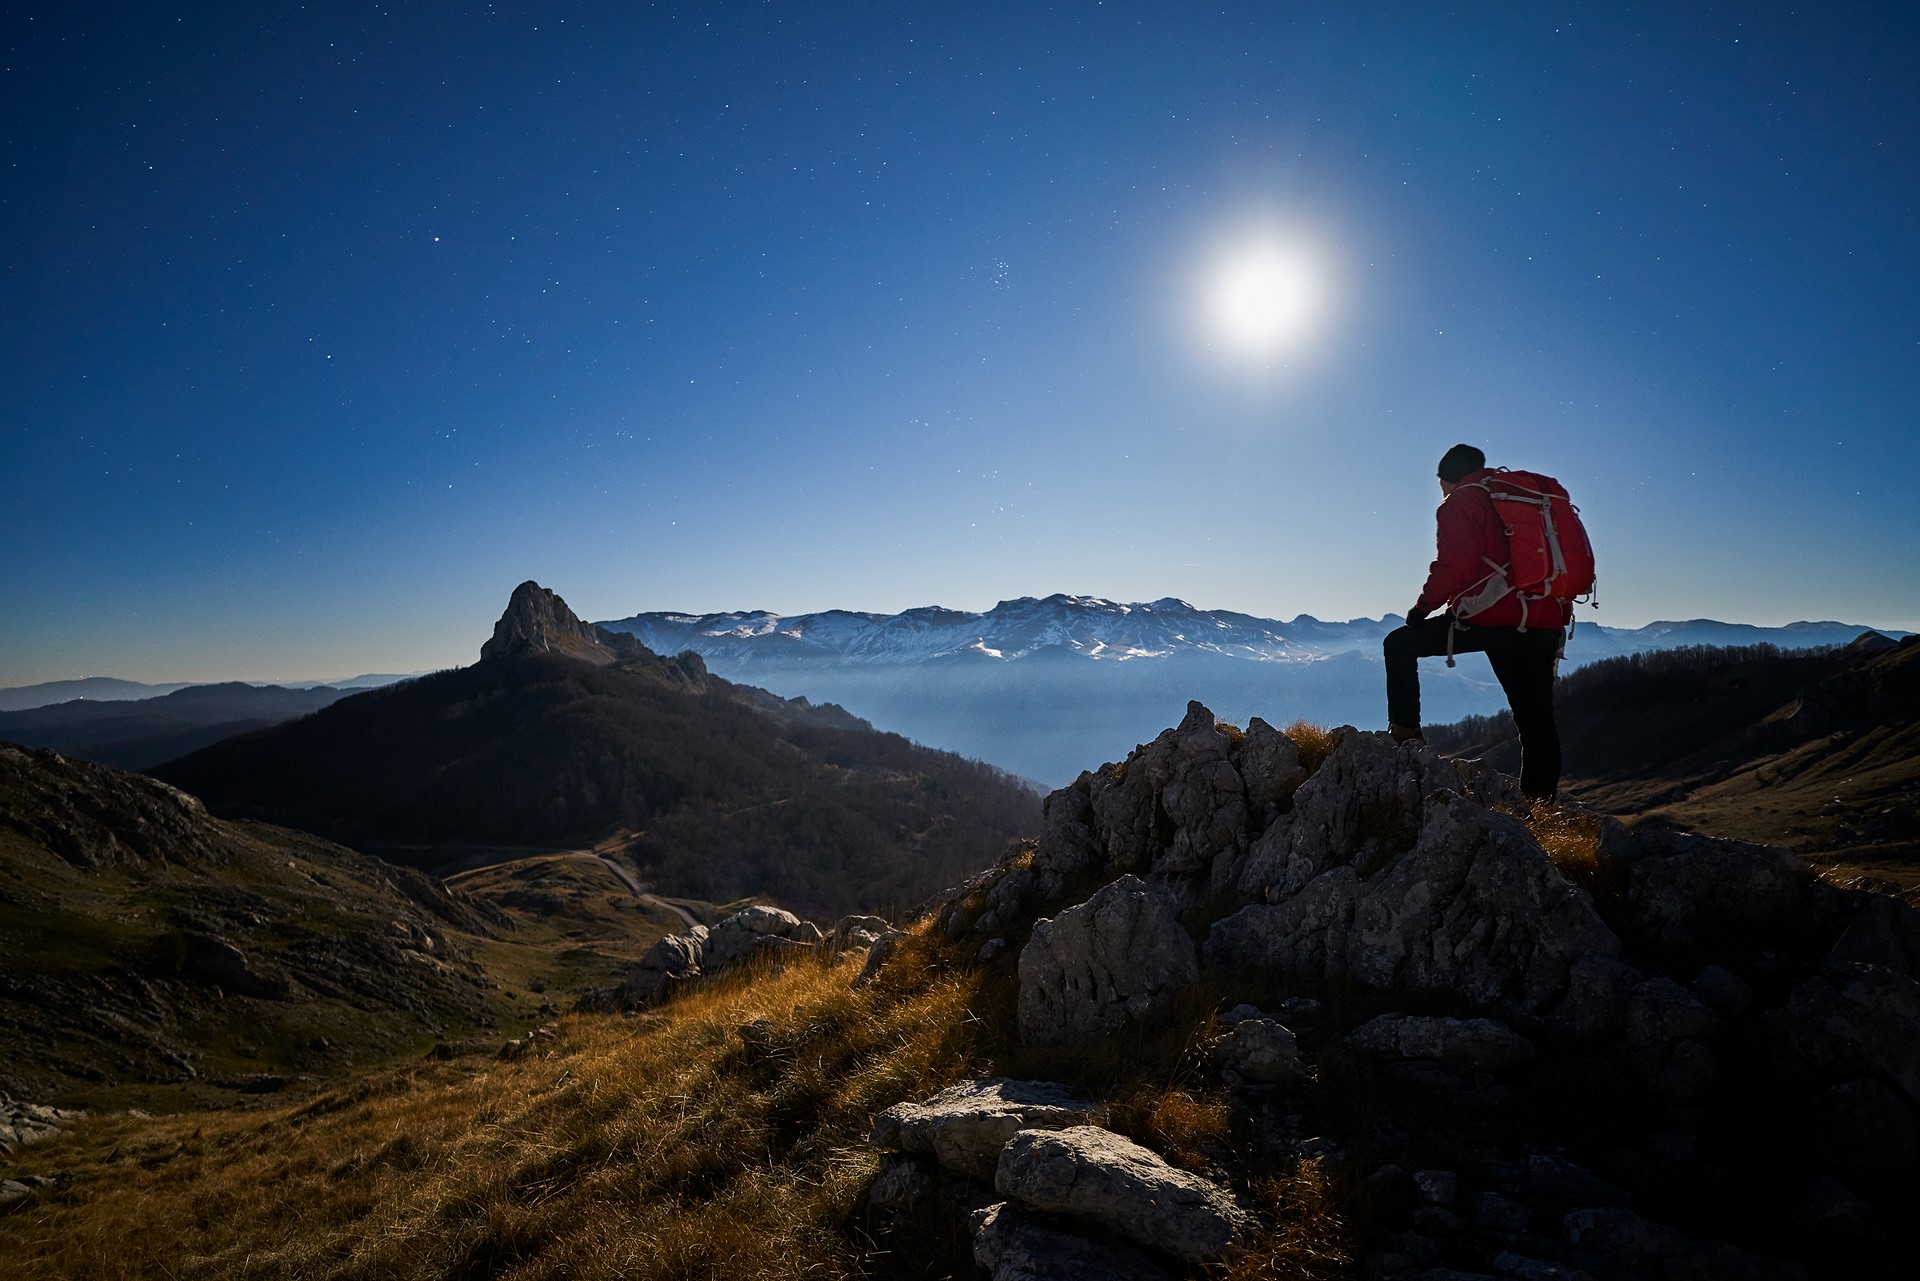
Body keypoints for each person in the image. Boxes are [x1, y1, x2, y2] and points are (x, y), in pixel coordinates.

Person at [1383, 443, 1567, 800]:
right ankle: (1539, 810)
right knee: (1536, 722)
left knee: (1399, 644)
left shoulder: (1461, 501)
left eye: (1440, 484)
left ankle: (1406, 736)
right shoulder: (1517, 497)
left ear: (1447, 478)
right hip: (1543, 621)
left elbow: (1455, 565)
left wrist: (1422, 609)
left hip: (1491, 620)